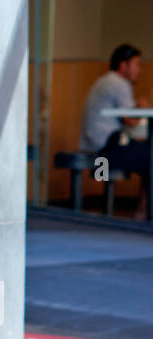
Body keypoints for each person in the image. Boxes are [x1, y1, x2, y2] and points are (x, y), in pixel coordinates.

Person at [81, 43, 149, 215]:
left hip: (97, 143)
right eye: (136, 64)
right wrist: (141, 107)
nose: (139, 70)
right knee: (151, 157)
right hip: (104, 149)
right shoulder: (118, 83)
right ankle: (143, 215)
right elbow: (130, 121)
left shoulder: (106, 81)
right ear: (123, 65)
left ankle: (142, 213)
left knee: (149, 155)